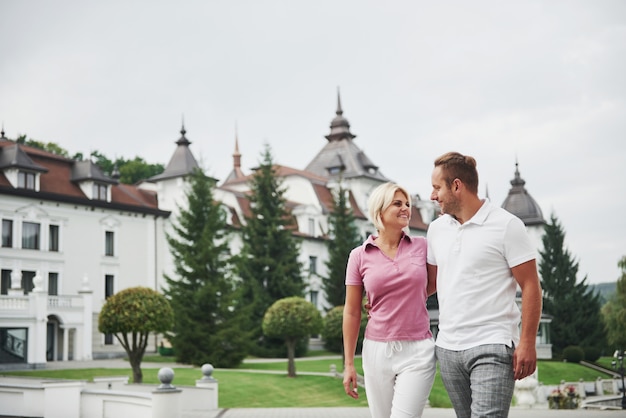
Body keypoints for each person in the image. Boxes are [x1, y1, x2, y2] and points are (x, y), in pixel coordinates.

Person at [427, 151, 543, 418]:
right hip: (448, 347)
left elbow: (530, 286)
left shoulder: (506, 226)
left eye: (436, 188)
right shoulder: (436, 229)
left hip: (492, 344)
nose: (433, 195)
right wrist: (384, 299)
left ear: (457, 186)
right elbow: (429, 284)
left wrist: (527, 342)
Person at [343, 182, 436, 418]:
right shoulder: (359, 255)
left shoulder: (423, 247)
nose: (406, 208)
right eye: (398, 203)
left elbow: (434, 284)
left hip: (418, 350)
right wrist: (349, 364)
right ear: (380, 209)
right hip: (376, 350)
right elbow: (352, 311)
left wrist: (406, 300)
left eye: (407, 204)